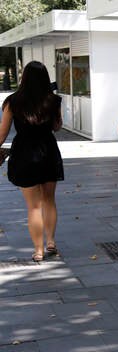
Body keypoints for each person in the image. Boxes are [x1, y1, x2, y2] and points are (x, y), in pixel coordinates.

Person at [0, 61, 64, 262]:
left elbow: (2, 134)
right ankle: (51, 241)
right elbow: (57, 127)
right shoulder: (53, 101)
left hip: (24, 153)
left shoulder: (13, 101)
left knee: (33, 206)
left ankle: (38, 251)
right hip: (48, 152)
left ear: (24, 78)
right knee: (49, 200)